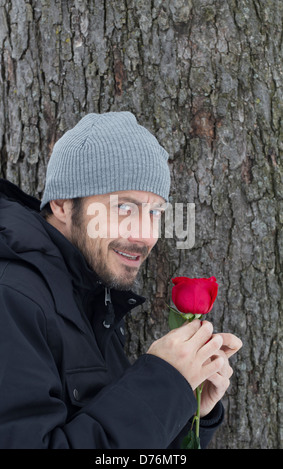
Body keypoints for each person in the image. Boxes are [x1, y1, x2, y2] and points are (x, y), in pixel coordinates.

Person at [0, 112, 242, 449]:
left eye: (155, 212)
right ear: (63, 204)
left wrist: (184, 409)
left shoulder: (90, 292)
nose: (145, 235)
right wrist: (161, 386)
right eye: (124, 208)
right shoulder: (12, 297)